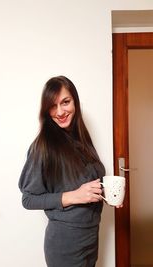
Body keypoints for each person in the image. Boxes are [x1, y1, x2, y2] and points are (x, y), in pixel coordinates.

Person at [18, 76, 106, 267]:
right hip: (65, 243)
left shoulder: (81, 139)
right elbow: (28, 199)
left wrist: (110, 194)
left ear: (75, 100)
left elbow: (88, 182)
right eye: (53, 105)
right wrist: (74, 196)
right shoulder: (43, 147)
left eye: (65, 102)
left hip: (91, 237)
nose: (60, 112)